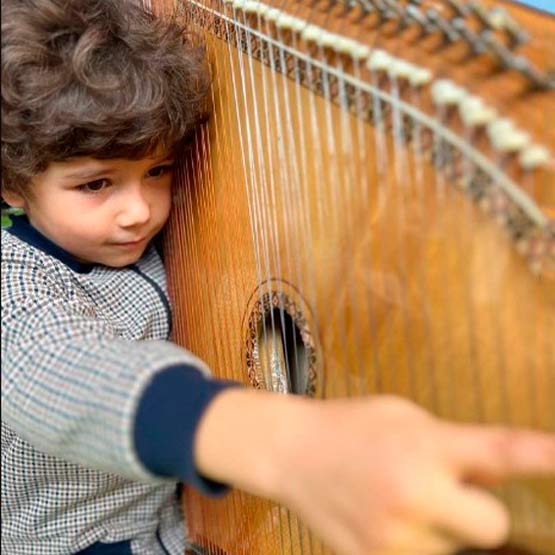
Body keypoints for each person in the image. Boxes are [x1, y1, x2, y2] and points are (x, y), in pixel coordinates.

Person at [2, 1, 554, 554]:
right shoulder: (16, 286)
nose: (138, 211)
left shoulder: (130, 236)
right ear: (13, 185)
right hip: (76, 542)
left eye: (157, 171)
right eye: (96, 185)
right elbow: (65, 372)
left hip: (174, 521)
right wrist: (295, 449)